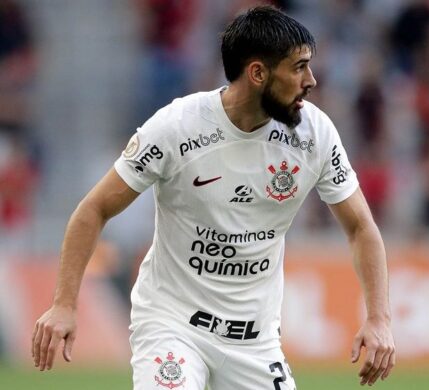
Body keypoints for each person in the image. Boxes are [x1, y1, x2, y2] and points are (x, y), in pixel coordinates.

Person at [32, 6, 395, 389]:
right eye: (299, 67)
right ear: (258, 73)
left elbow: (360, 227)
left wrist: (379, 318)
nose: (312, 80)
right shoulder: (177, 127)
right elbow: (95, 208)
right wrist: (64, 304)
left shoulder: (314, 133)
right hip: (172, 325)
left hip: (255, 342)